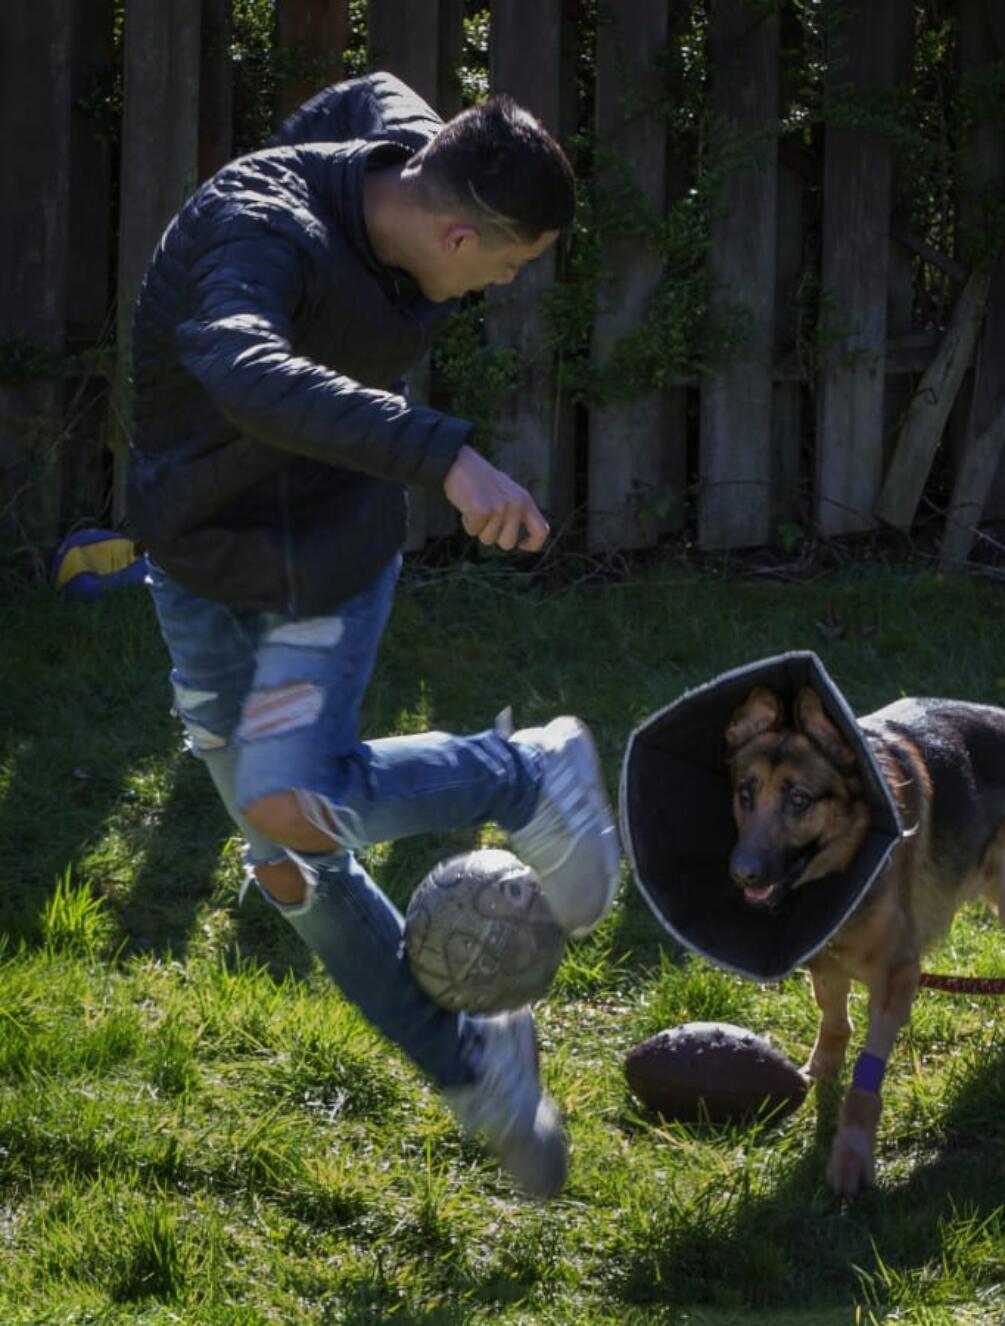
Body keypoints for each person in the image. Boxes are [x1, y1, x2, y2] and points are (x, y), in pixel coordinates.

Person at [124, 73, 620, 1199]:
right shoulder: (261, 236)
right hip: (200, 561)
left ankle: (526, 773)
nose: (492, 288)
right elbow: (244, 365)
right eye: (500, 267)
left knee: (285, 803)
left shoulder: (401, 150)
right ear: (454, 231)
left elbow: (370, 83)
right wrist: (442, 452)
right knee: (289, 863)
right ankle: (478, 1063)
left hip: (326, 560)